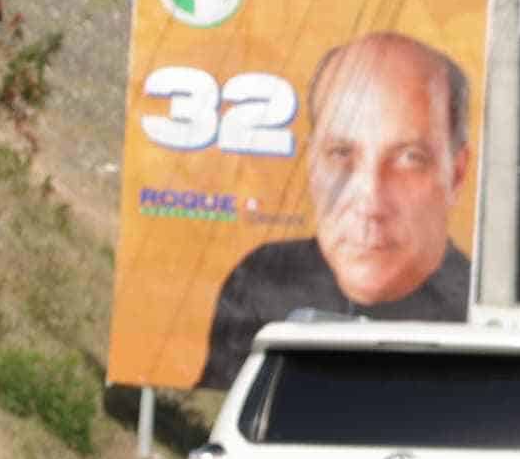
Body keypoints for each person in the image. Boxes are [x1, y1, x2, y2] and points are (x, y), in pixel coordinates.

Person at [198, 31, 477, 387]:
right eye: (341, 154)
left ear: (456, 173)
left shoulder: (477, 311)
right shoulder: (262, 282)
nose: (370, 202)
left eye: (410, 158)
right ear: (312, 163)